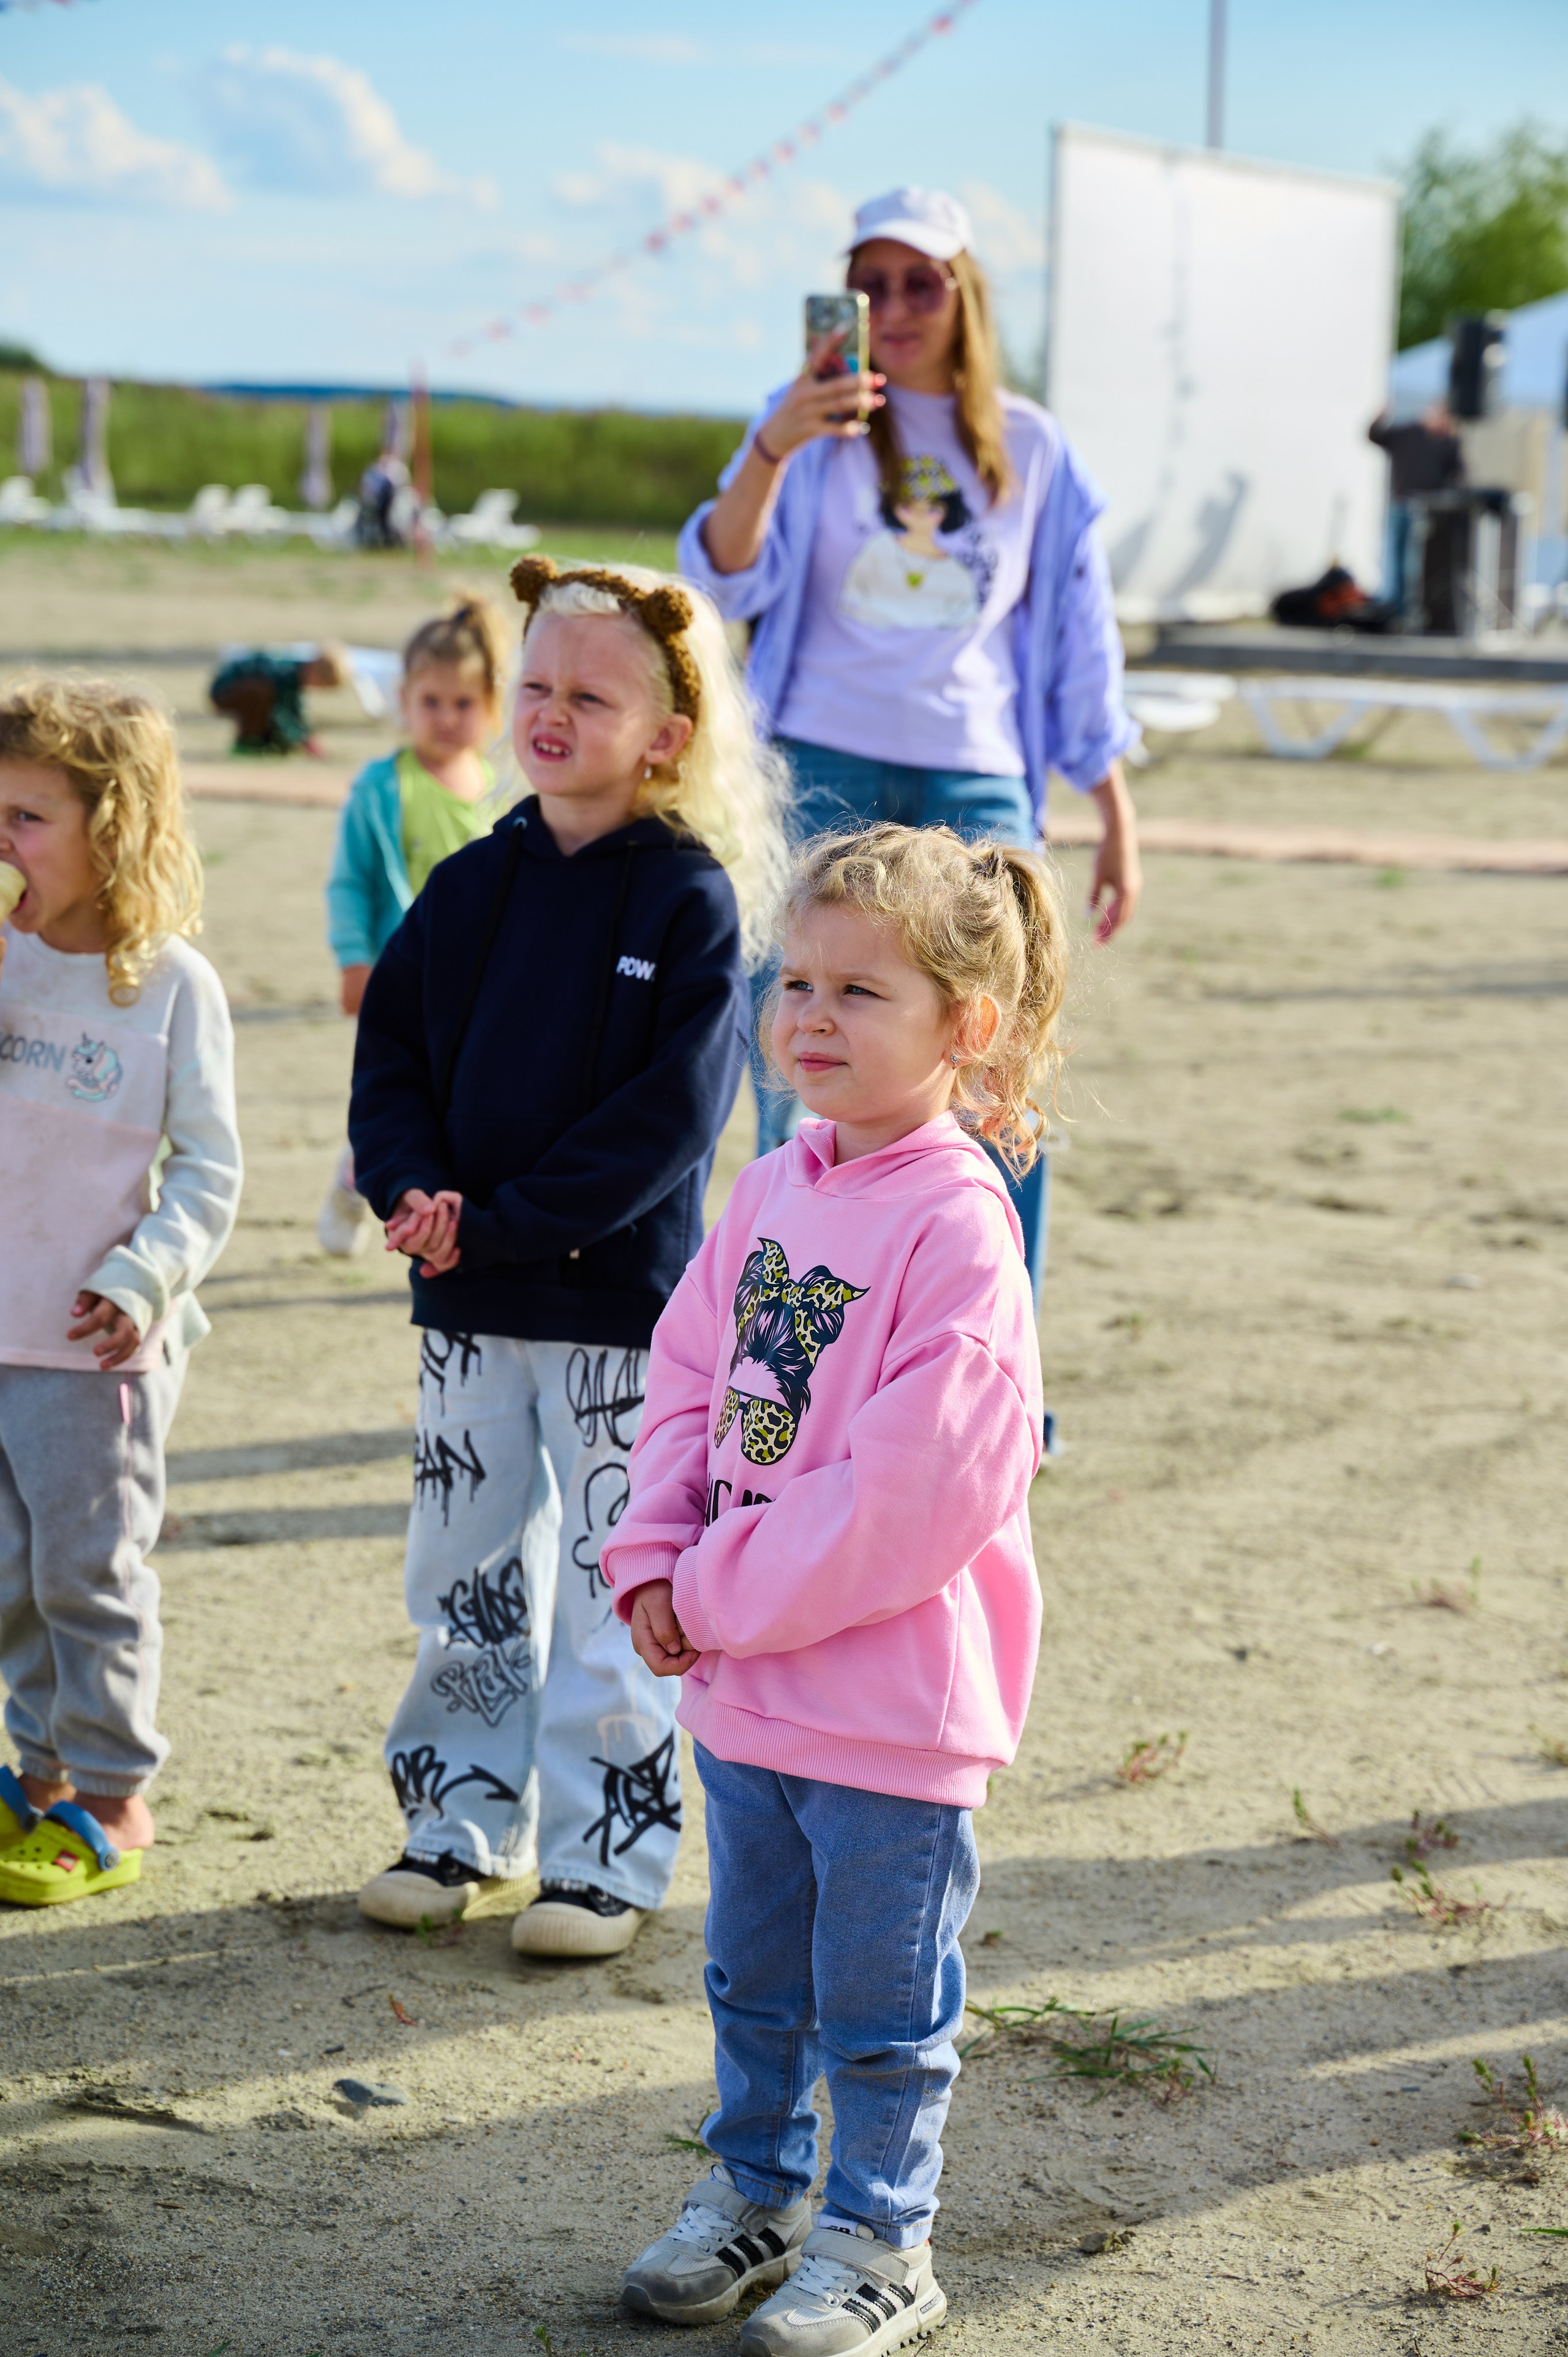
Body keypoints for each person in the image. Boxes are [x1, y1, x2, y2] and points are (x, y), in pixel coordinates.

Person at [608, 822, 1060, 2348]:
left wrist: (714, 1586)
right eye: (793, 979)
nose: (808, 1015)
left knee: (878, 2010)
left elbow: (910, 1497)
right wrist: (648, 1551)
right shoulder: (771, 1185)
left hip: (885, 1709)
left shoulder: (958, 1223)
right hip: (747, 1697)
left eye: (859, 990)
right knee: (751, 1980)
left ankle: (879, 2240)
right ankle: (752, 2189)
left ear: (965, 1024)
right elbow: (686, 1377)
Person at [347, 557, 788, 1958]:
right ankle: (452, 1821)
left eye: (587, 693)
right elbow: (393, 1060)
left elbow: (665, 1123)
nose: (547, 711)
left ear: (665, 731)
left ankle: (603, 1854)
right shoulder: (469, 884)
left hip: (621, 1315)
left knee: (617, 1583)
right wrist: (413, 1188)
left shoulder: (689, 903)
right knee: (462, 1570)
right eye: (532, 683)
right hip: (465, 1303)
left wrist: (509, 1215)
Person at [677, 183, 1142, 1324]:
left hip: (977, 773)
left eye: (920, 279)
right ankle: (791, 1352)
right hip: (819, 764)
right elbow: (719, 578)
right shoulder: (812, 433)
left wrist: (1116, 808)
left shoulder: (1032, 446)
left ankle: (987, 1359)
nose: (893, 304)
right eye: (870, 281)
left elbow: (1081, 631)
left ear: (966, 292)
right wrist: (773, 443)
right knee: (810, 1060)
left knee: (992, 1069)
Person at [0, 678, 242, 1905]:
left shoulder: (171, 988)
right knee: (7, 1569)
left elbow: (210, 1166)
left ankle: (109, 1791)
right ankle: (33, 1771)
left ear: (116, 827)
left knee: (86, 1569)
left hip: (89, 1345)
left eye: (27, 816)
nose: (3, 840)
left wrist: (146, 1275)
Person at [317, 593, 511, 1258]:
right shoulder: (380, 789)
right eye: (432, 701)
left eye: (463, 704)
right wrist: (353, 959)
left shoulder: (500, 792)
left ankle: (432, 1206)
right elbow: (350, 882)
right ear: (403, 699)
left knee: (455, 1104)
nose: (447, 718)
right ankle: (357, 1179)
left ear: (490, 706)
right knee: (393, 1095)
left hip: (478, 992)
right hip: (400, 983)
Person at [1369, 400, 1464, 622]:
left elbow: (1459, 476)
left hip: (1428, 509)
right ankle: (1399, 608)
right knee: (1399, 558)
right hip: (1402, 504)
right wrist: (1379, 418)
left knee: (1416, 562)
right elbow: (1375, 437)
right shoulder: (1408, 434)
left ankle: (1415, 610)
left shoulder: (1448, 443)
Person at [209, 643, 348, 756]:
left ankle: (262, 744)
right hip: (224, 691)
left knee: (266, 701)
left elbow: (294, 711)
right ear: (316, 674)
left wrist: (305, 735)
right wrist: (300, 739)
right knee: (261, 693)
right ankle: (247, 743)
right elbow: (279, 711)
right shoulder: (284, 671)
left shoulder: (296, 674)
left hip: (248, 695)